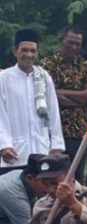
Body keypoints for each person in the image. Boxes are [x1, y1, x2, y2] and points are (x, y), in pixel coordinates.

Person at [0, 29, 65, 169]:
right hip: (14, 153)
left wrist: (57, 145)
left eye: (32, 51)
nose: (29, 55)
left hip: (42, 151)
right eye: (24, 50)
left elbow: (53, 112)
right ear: (15, 51)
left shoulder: (43, 77)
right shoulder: (4, 78)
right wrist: (4, 145)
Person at [40, 25, 87, 181]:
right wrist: (77, 99)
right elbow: (47, 96)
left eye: (78, 44)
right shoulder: (47, 65)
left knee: (76, 175)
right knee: (52, 175)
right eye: (70, 42)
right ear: (61, 41)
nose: (74, 47)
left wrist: (60, 93)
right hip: (54, 130)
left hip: (78, 129)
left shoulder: (85, 66)